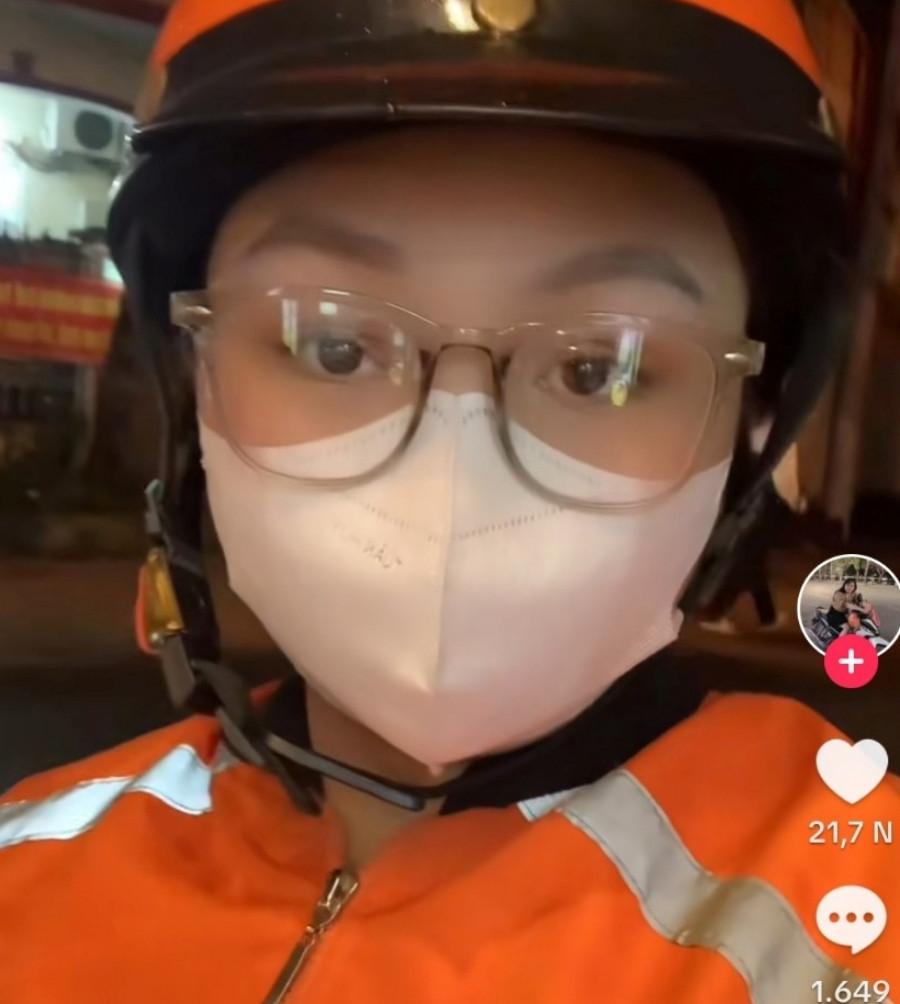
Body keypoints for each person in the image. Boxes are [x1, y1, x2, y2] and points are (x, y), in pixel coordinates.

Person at [2, 1, 898, 1001]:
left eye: (600, 367)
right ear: (191, 385)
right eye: (330, 345)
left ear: (752, 428)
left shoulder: (852, 909)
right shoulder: (26, 864)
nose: (452, 474)